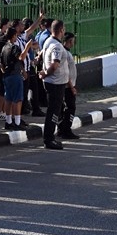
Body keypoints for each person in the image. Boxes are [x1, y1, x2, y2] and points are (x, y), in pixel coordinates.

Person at [39, 20, 71, 150]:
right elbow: (55, 65)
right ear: (61, 30)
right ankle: (49, 139)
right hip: (55, 83)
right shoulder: (57, 46)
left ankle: (49, 137)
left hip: (53, 82)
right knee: (53, 112)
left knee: (53, 111)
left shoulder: (49, 41)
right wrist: (45, 73)